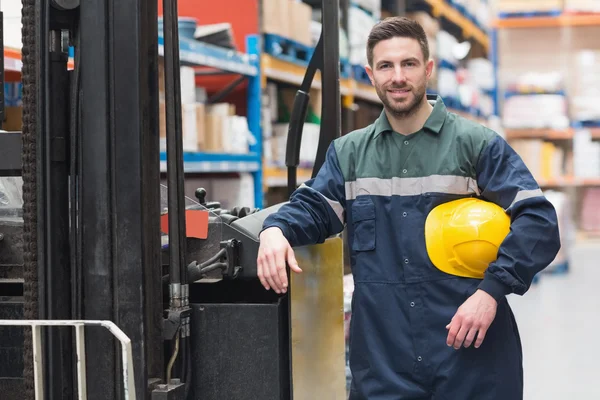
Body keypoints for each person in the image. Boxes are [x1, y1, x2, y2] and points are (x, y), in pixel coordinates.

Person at [257, 16, 561, 400]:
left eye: (409, 64)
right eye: (386, 66)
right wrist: (274, 229)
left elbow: (538, 220)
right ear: (371, 74)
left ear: (428, 69)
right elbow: (314, 208)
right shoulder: (349, 154)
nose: (397, 76)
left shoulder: (475, 144)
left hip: (471, 356)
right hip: (386, 364)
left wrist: (492, 291)